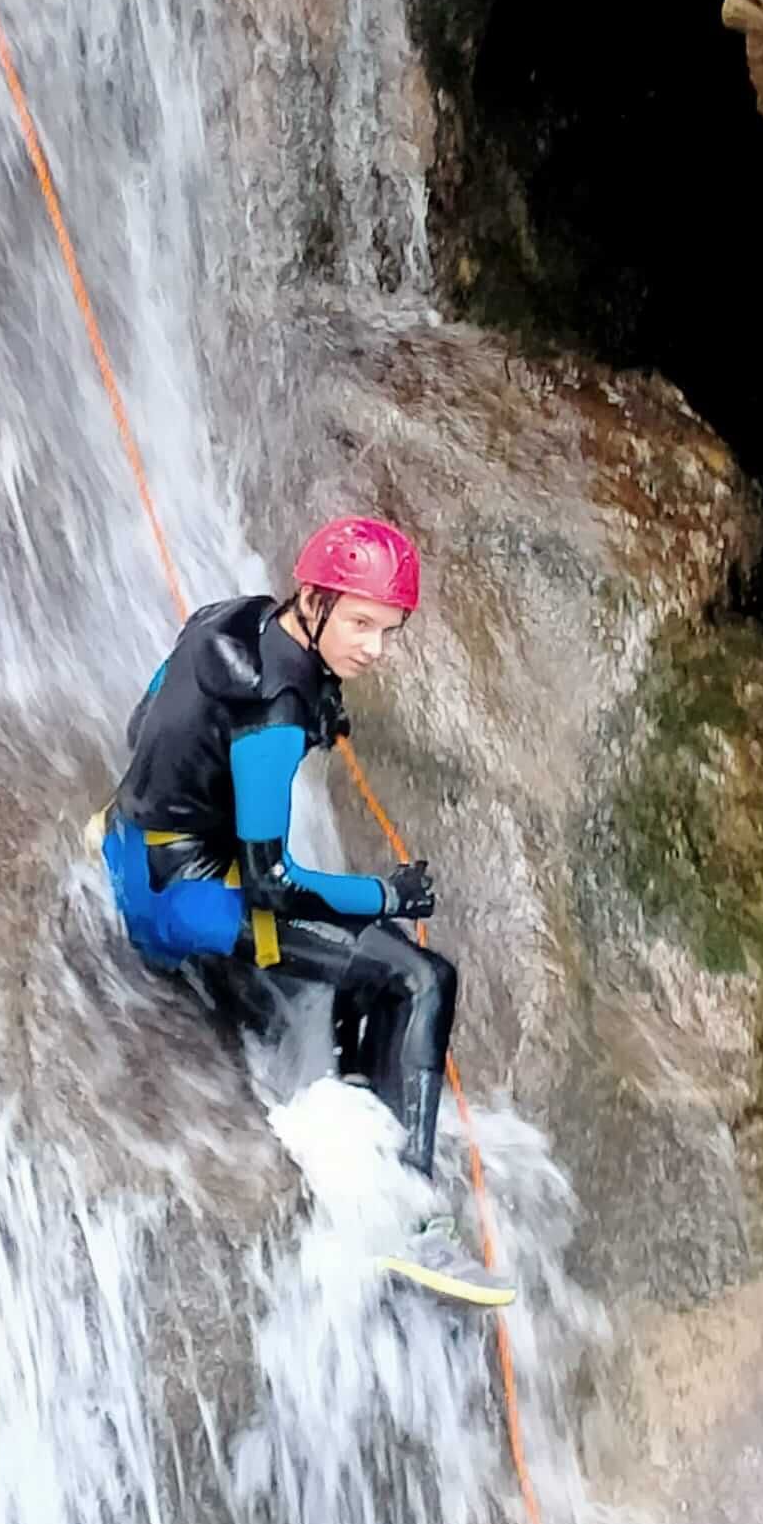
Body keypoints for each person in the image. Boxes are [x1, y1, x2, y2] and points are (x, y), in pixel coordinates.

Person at [90, 516, 514, 1307]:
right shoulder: (277, 717)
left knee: (361, 966)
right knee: (420, 979)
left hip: (126, 846)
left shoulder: (227, 617)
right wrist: (388, 896)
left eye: (389, 631)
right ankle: (409, 1225)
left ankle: (353, 1131)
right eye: (359, 623)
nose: (374, 649)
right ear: (314, 601)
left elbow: (142, 726)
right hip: (178, 903)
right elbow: (272, 885)